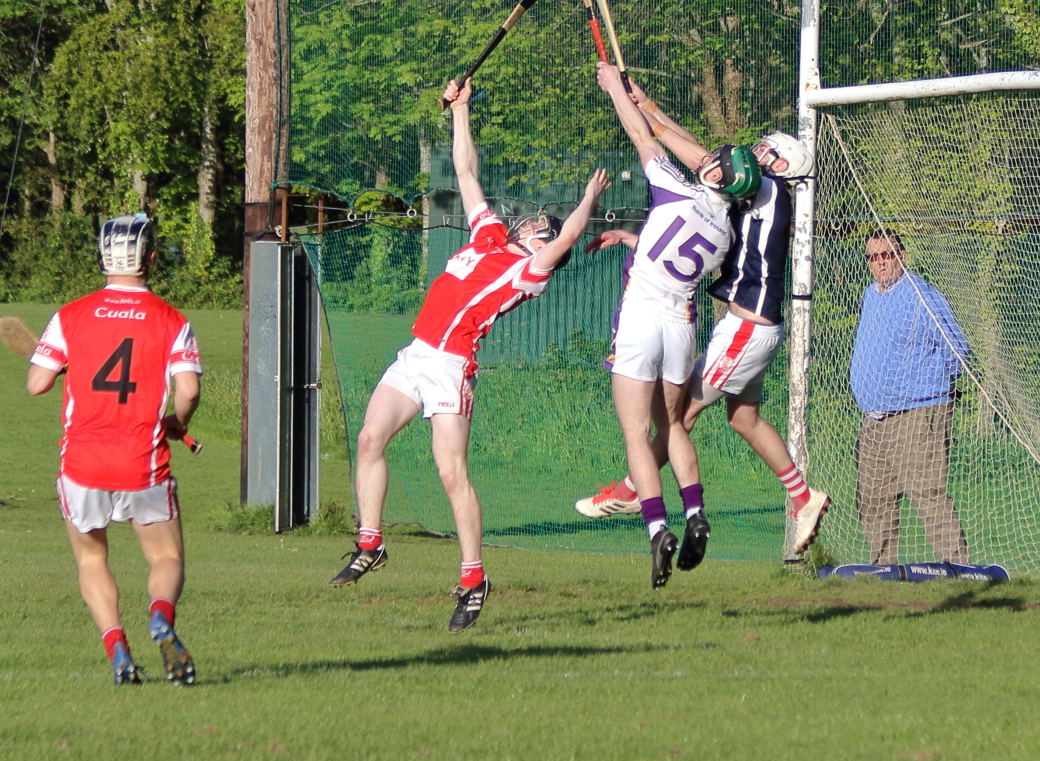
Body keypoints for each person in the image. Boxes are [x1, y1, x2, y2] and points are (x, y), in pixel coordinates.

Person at [329, 75, 610, 633]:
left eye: (539, 226)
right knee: (368, 439)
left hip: (451, 366)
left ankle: (474, 578)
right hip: (416, 353)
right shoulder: (487, 237)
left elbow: (565, 240)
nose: (531, 222)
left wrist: (586, 203)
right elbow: (466, 172)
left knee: (451, 473)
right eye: (532, 221)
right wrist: (460, 109)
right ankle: (370, 543)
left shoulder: (528, 271)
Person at [576, 101, 832, 558]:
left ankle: (632, 490)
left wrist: (644, 109)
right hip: (756, 328)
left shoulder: (768, 185)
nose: (755, 150)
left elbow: (700, 160)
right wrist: (646, 107)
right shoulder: (757, 194)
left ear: (779, 165)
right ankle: (802, 497)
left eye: (765, 149)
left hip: (744, 330)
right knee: (744, 419)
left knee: (678, 419)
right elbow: (705, 162)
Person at [594, 61, 758, 589]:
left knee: (635, 434)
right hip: (681, 328)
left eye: (713, 161)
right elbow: (671, 245)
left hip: (642, 320)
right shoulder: (726, 237)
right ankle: (695, 513)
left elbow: (640, 137)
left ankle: (657, 527)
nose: (706, 158)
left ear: (714, 176)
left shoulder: (675, 187)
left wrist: (615, 92)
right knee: (675, 426)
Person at [26, 215, 202, 686]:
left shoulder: (71, 315)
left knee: (91, 560)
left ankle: (118, 649)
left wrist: (65, 366)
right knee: (165, 559)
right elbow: (187, 390)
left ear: (102, 257)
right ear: (150, 256)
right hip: (142, 463)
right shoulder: (171, 320)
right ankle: (161, 617)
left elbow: (37, 383)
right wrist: (177, 424)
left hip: (82, 464)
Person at [851, 231, 970, 565]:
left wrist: (932, 387)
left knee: (927, 493)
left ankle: (958, 569)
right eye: (873, 257)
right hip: (875, 418)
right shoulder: (870, 296)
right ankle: (883, 571)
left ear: (901, 254)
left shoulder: (921, 294)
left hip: (918, 412)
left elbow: (957, 348)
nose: (881, 262)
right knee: (872, 498)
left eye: (887, 254)